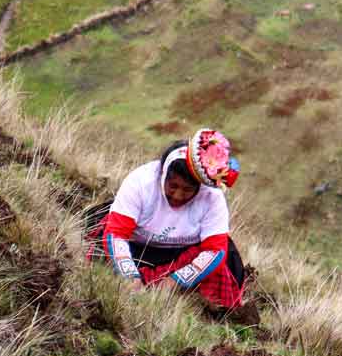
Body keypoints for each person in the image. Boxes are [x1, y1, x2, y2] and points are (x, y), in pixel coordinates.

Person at [87, 128, 246, 308]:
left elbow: (214, 250)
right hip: (136, 247)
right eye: (173, 186)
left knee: (220, 271)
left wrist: (176, 281)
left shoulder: (212, 197)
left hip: (182, 254)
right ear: (163, 174)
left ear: (199, 187)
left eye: (187, 190)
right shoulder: (141, 182)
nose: (178, 195)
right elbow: (117, 234)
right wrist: (130, 276)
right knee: (102, 259)